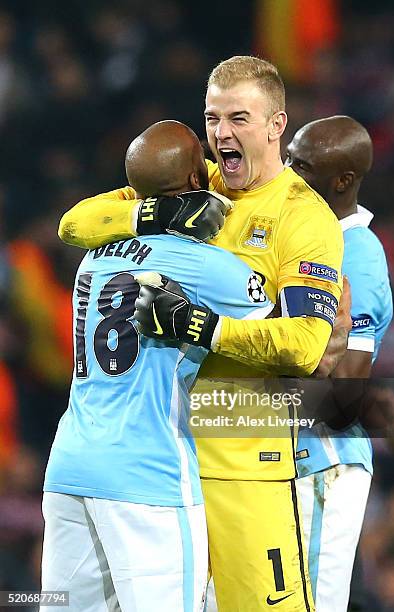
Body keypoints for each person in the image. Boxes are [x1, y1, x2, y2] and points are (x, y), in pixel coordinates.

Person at [57, 56, 349, 612]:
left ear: (276, 125)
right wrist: (152, 217)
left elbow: (307, 346)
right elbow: (74, 225)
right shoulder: (192, 184)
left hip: (242, 460)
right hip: (163, 461)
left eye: (239, 118)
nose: (221, 134)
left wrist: (207, 327)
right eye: (213, 118)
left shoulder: (302, 218)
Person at [41, 120, 273, 612]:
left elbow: (84, 222)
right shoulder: (204, 266)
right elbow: (286, 338)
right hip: (150, 475)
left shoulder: (92, 255)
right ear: (197, 179)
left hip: (70, 467)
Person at [285, 115, 393, 612]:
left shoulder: (359, 256)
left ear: (342, 180)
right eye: (287, 157)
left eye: (301, 165)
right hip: (286, 461)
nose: (287, 171)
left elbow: (346, 398)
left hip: (325, 464)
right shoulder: (308, 239)